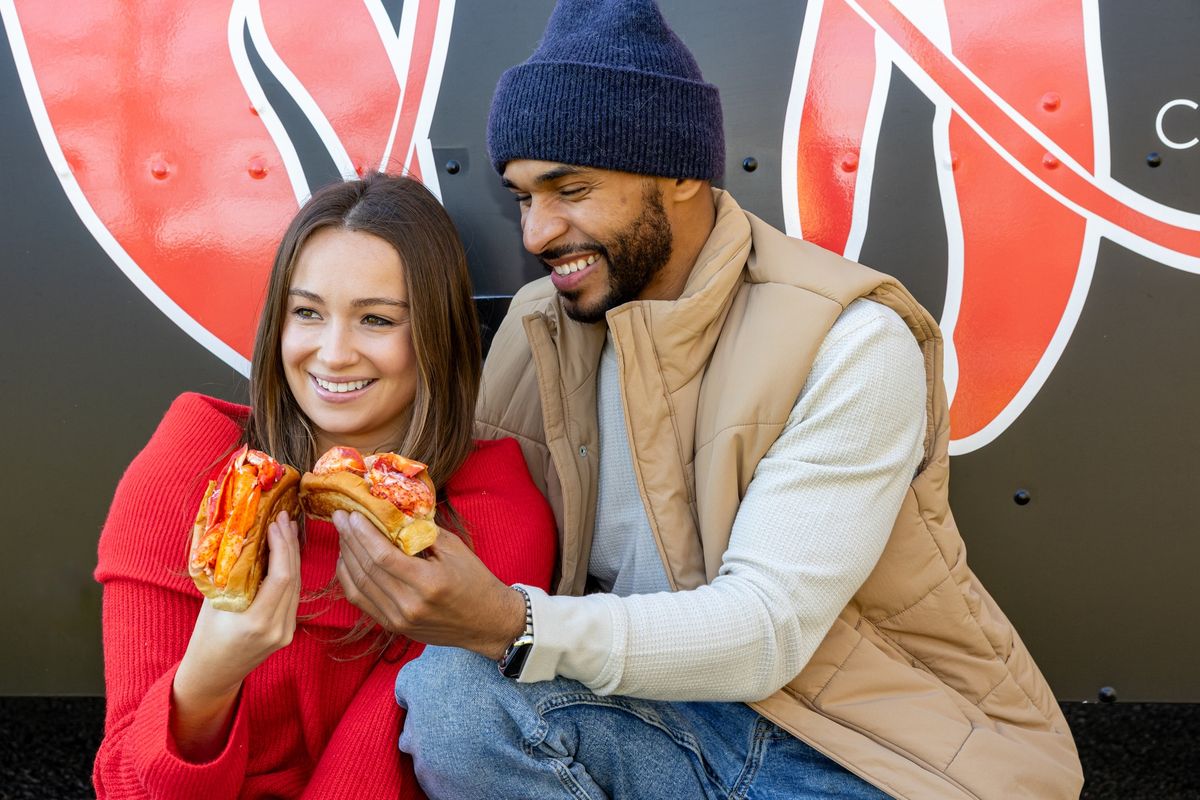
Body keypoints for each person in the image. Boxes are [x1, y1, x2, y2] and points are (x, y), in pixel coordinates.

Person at [333, 2, 1085, 798]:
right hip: (665, 720)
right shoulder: (534, 329)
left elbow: (768, 630)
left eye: (571, 188)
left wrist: (513, 624)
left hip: (868, 750)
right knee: (454, 700)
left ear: (681, 171)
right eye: (521, 196)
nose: (537, 232)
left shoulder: (848, 337)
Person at [92, 173, 557, 799]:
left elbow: (374, 768)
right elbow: (123, 784)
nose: (333, 354)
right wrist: (207, 679)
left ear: (435, 336)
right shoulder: (196, 471)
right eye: (307, 313)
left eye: (375, 319)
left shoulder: (488, 509)